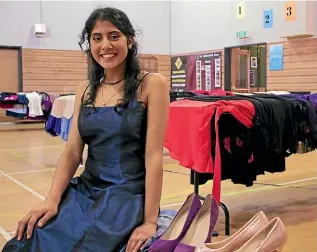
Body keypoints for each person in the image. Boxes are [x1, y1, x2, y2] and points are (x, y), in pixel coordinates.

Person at [3, 6, 170, 252]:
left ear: (130, 40)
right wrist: (51, 200)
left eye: (114, 36)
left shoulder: (152, 84)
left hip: (125, 196)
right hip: (85, 191)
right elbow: (72, 151)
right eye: (97, 38)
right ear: (89, 44)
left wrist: (150, 221)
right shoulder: (86, 89)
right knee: (25, 242)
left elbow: (153, 154)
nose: (106, 45)